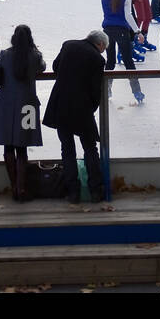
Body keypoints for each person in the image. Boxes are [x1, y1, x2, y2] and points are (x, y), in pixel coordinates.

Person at [43, 31, 108, 203]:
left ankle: (73, 192)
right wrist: (91, 107)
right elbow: (96, 90)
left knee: (67, 149)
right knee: (90, 148)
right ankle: (95, 190)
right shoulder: (98, 59)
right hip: (82, 108)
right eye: (104, 48)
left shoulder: (68, 45)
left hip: (61, 104)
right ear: (100, 44)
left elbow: (56, 67)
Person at [0, 24, 46, 201]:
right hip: (27, 105)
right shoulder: (35, 56)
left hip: (4, 104)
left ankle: (13, 187)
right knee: (22, 146)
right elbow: (42, 67)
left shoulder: (5, 54)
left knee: (8, 146)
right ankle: (22, 189)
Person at [101, 0, 144, 103]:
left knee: (110, 61)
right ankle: (137, 91)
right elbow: (128, 15)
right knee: (128, 61)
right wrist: (137, 31)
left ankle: (106, 89)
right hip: (122, 31)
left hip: (107, 30)